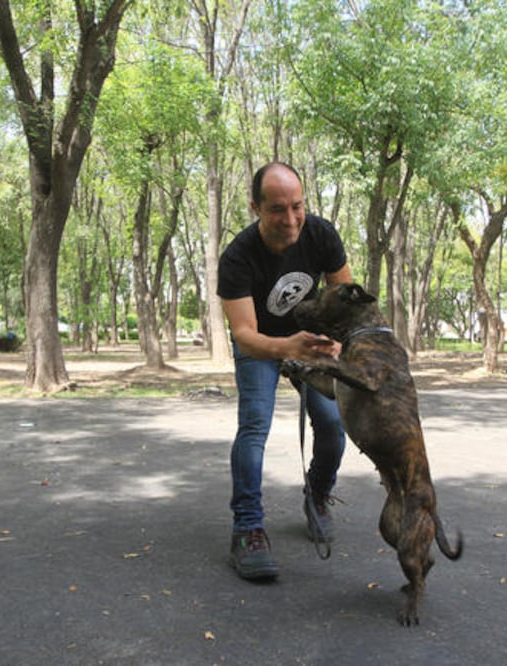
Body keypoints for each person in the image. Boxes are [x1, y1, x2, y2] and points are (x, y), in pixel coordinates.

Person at [217, 161, 352, 580]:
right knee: (255, 426)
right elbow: (244, 334)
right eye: (277, 209)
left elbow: (345, 298)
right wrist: (286, 347)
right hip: (261, 345)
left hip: (309, 343)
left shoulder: (321, 234)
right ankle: (248, 528)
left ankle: (318, 494)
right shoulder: (237, 258)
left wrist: (337, 340)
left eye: (297, 206)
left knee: (332, 423)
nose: (291, 219)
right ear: (255, 207)